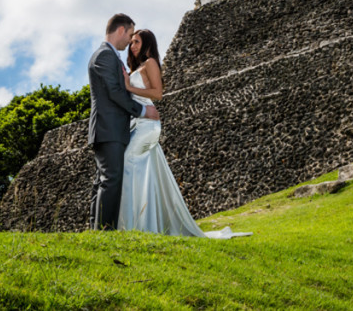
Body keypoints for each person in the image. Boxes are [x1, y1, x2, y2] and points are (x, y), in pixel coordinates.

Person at [118, 28, 251, 239]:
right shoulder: (137, 67)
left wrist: (129, 87)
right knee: (143, 173)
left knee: (129, 163)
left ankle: (137, 225)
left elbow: (158, 93)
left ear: (148, 45)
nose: (132, 46)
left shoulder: (150, 63)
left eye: (137, 42)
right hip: (140, 123)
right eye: (132, 42)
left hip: (148, 126)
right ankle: (141, 224)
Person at [89, 13, 160, 230]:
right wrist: (142, 110)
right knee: (111, 180)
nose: (130, 41)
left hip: (111, 129)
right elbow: (114, 92)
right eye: (130, 35)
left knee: (104, 180)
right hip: (108, 129)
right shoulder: (105, 56)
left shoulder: (109, 56)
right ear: (121, 30)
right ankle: (104, 231)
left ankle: (97, 229)